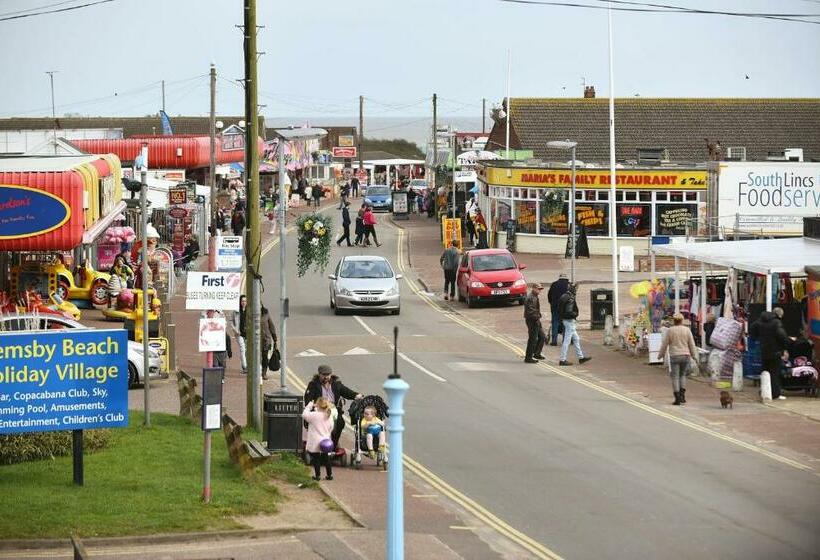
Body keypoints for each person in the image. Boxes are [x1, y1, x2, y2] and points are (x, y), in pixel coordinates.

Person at [304, 364, 362, 450]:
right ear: (319, 374)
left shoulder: (336, 384)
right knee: (321, 426)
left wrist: (356, 395)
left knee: (340, 422)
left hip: (333, 410)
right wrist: (313, 405)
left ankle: (333, 444)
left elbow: (346, 391)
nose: (326, 377)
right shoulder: (313, 385)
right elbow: (308, 398)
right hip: (320, 410)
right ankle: (318, 444)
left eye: (328, 375)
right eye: (324, 375)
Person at [656, 313, 699, 405]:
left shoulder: (670, 331)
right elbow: (691, 344)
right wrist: (694, 356)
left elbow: (665, 344)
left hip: (675, 356)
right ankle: (683, 396)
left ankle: (677, 398)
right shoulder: (687, 330)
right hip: (686, 355)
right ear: (682, 321)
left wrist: (660, 355)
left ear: (674, 321)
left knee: (675, 376)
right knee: (682, 375)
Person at [750, 307, 791, 400]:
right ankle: (775, 394)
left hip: (764, 351)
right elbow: (782, 336)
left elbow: (752, 329)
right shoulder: (777, 323)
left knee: (765, 371)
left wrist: (758, 337)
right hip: (775, 352)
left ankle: (764, 391)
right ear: (779, 315)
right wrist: (786, 346)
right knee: (774, 373)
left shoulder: (760, 321)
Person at [302, 396, 336, 481]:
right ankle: (329, 475)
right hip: (325, 441)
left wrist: (309, 406)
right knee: (326, 458)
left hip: (315, 441)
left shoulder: (314, 415)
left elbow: (304, 414)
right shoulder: (329, 415)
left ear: (318, 405)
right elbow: (331, 427)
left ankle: (317, 476)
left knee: (316, 458)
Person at [557, 283, 591, 366]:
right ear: (573, 290)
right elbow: (569, 312)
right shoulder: (570, 299)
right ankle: (562, 359)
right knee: (567, 341)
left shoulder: (563, 296)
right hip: (569, 321)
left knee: (576, 339)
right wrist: (575, 314)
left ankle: (581, 357)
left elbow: (559, 308)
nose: (576, 291)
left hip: (565, 320)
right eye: (576, 289)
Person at [523, 283, 547, 363]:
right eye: (538, 289)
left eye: (540, 289)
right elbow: (530, 311)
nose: (539, 291)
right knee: (533, 339)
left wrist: (538, 316)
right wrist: (538, 316)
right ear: (533, 288)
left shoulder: (534, 297)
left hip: (536, 319)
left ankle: (537, 353)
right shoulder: (530, 298)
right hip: (532, 320)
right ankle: (528, 357)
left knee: (542, 337)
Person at [547, 273, 570, 346]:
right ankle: (565, 340)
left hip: (555, 307)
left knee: (555, 323)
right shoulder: (569, 285)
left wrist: (552, 303)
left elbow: (549, 295)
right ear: (566, 278)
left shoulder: (554, 284)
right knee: (565, 324)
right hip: (566, 309)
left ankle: (554, 341)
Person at [231, 295, 248, 375]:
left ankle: (247, 365)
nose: (243, 303)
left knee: (247, 350)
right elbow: (231, 321)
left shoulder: (249, 311)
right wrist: (235, 330)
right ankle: (245, 367)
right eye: (242, 301)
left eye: (245, 301)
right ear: (240, 302)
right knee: (242, 349)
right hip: (239, 333)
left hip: (248, 334)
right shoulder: (236, 311)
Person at [260, 305, 277, 381]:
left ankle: (264, 372)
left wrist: (275, 338)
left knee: (265, 357)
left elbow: (271, 326)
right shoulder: (251, 313)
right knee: (255, 357)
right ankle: (255, 371)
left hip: (266, 339)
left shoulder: (266, 314)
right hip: (255, 340)